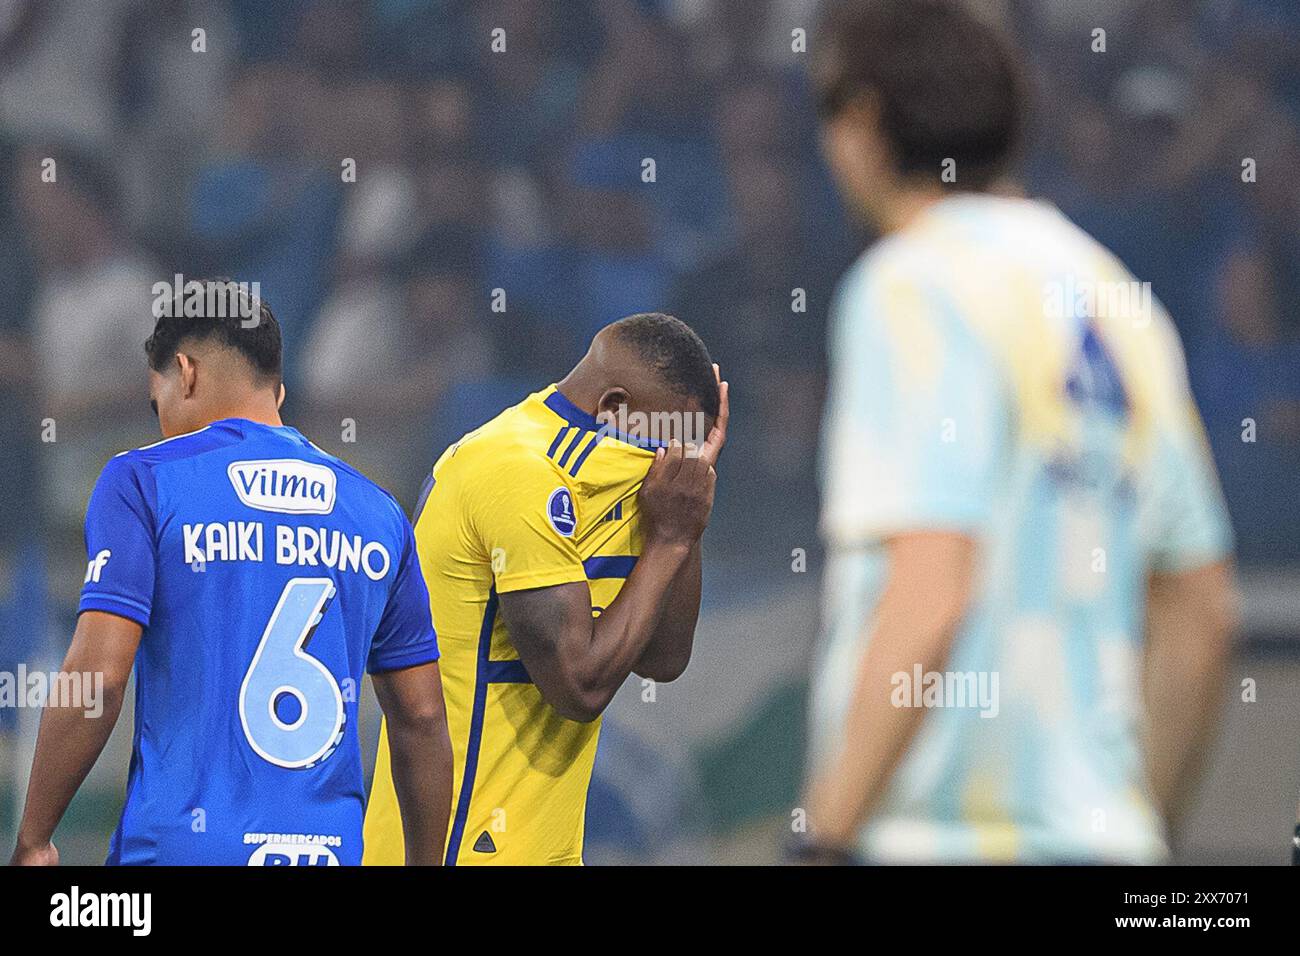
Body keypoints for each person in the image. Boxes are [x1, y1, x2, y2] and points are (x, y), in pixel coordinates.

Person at [800, 0, 1237, 863]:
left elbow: (931, 587)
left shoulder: (911, 287)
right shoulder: (1118, 300)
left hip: (941, 838)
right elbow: (1205, 612)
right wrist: (1136, 822)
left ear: (862, 122)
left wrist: (823, 834)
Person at [10, 282, 452, 866]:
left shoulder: (143, 482)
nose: (160, 422)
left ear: (185, 373)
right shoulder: (379, 513)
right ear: (280, 390)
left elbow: (99, 680)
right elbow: (421, 717)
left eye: (156, 400)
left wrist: (34, 838)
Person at [363, 312, 727, 865]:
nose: (667, 464)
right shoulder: (516, 472)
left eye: (685, 452)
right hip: (464, 845)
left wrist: (687, 515)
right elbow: (578, 688)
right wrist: (671, 540)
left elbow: (664, 658)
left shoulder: (619, 466)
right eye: (666, 446)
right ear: (614, 409)